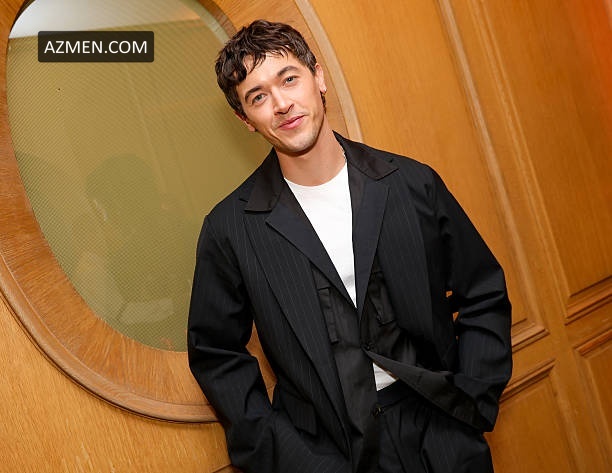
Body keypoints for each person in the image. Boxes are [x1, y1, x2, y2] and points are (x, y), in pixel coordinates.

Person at [188, 19, 512, 473]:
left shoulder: (410, 184)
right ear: (245, 120)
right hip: (328, 453)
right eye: (258, 97)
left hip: (443, 435)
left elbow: (483, 292)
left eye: (289, 79)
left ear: (318, 78)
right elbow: (216, 354)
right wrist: (286, 457)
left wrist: (473, 393)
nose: (281, 104)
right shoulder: (230, 229)